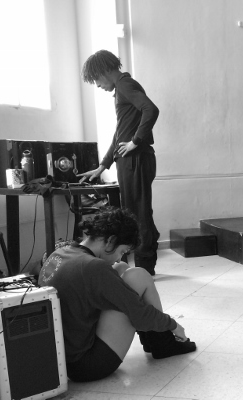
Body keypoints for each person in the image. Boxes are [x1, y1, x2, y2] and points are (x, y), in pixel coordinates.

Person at [38, 207, 196, 382]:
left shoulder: (61, 253)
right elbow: (139, 314)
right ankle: (162, 343)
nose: (119, 258)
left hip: (63, 359)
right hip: (87, 365)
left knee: (120, 269)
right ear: (110, 241)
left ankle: (157, 341)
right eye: (121, 251)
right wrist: (173, 325)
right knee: (139, 276)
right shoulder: (93, 267)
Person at [78, 49, 160, 275]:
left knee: (137, 213)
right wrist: (103, 164)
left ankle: (145, 268)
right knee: (136, 211)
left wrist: (135, 141)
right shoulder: (122, 89)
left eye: (96, 79)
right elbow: (119, 133)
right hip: (130, 160)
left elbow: (151, 109)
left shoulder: (125, 84)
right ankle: (144, 265)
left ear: (104, 71)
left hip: (136, 159)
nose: (97, 85)